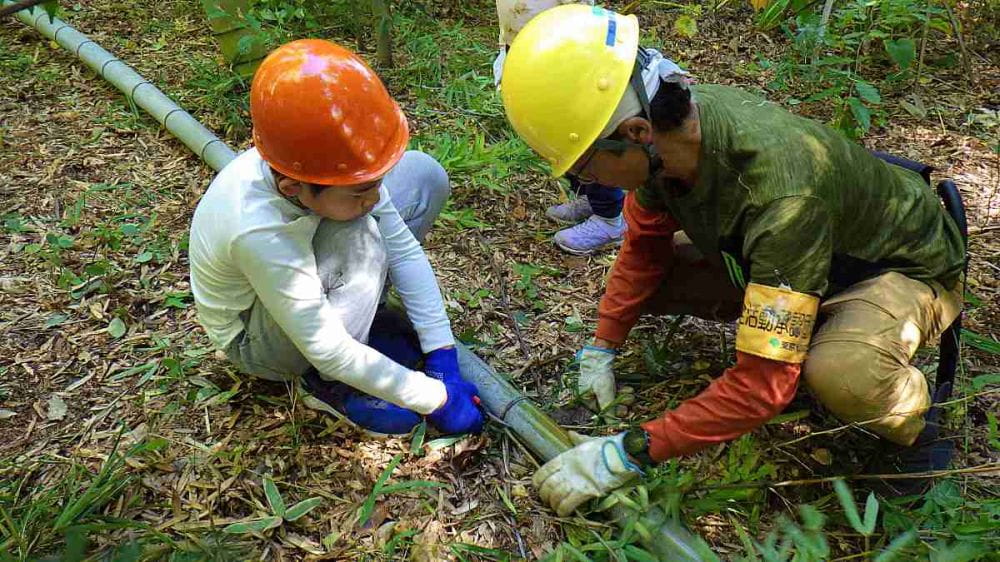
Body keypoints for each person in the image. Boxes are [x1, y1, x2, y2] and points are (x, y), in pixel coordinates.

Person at [499, 5, 965, 514]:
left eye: (587, 167)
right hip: (802, 256)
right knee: (645, 286)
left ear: (634, 133)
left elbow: (765, 387)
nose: (587, 184)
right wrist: (603, 346)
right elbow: (643, 249)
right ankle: (803, 325)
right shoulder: (670, 140)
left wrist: (630, 451)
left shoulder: (779, 197)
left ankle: (917, 432)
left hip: (896, 268)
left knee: (842, 373)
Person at [189, 39, 484, 437]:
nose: (376, 196)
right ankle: (330, 384)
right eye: (361, 191)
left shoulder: (321, 170)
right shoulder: (256, 228)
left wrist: (441, 352)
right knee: (356, 233)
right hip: (256, 339)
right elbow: (327, 348)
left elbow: (402, 248)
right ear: (294, 188)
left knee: (421, 175)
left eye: (374, 183)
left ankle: (360, 325)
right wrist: (436, 399)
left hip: (300, 286)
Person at [494, 0, 627, 255]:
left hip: (565, 54)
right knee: (555, 131)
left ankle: (609, 219)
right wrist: (506, 47)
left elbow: (582, 12)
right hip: (530, 49)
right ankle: (587, 197)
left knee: (582, 134)